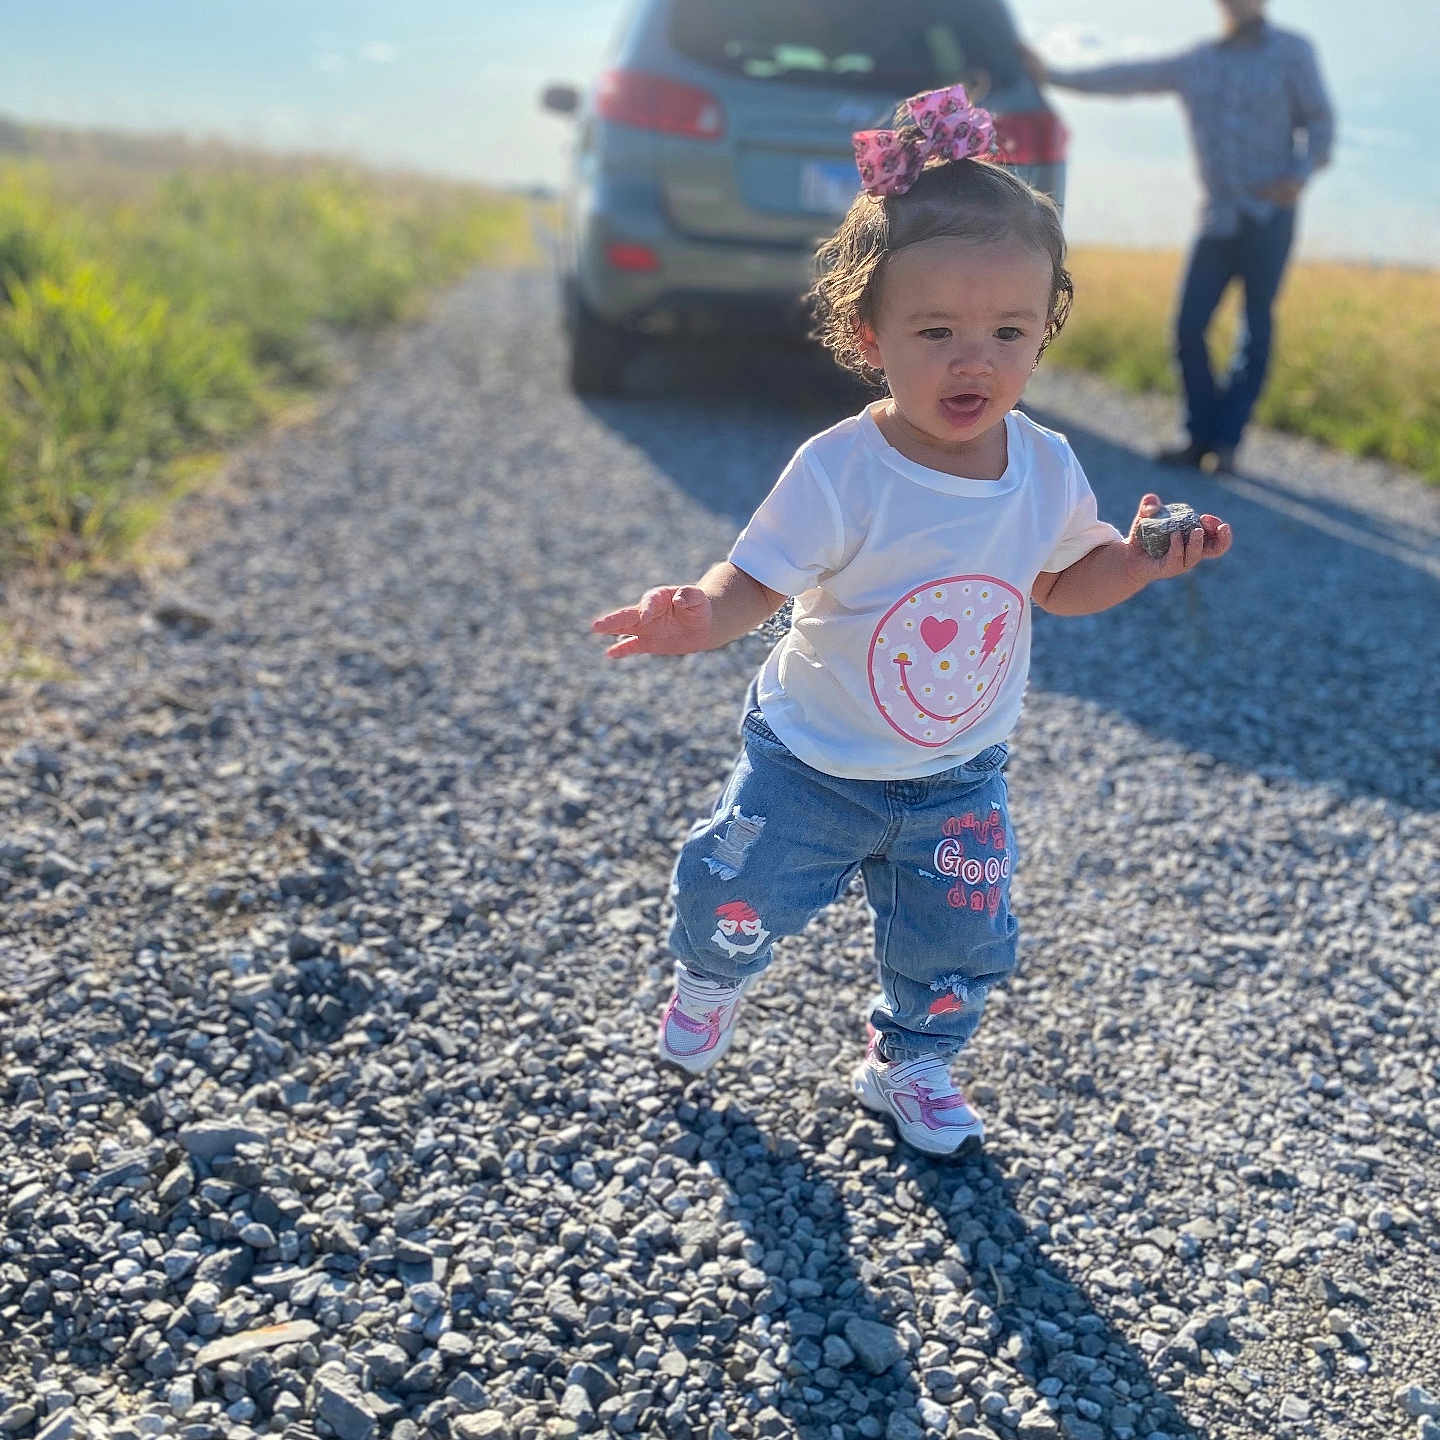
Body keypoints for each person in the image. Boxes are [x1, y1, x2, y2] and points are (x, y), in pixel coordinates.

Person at [590, 83, 1233, 1158]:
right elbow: (757, 580)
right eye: (935, 329)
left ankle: (911, 1061)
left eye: (1007, 331)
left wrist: (1137, 561)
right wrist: (699, 613)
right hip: (814, 758)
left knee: (957, 936)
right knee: (735, 892)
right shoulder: (845, 467)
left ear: (1045, 331)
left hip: (958, 774)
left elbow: (1065, 582)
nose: (972, 360)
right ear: (867, 332)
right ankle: (710, 977)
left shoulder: (1045, 464)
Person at [1019, 0, 1334, 473]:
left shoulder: (1293, 52)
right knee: (1188, 326)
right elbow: (1127, 78)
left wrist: (1301, 172)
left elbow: (1320, 120)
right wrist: (1054, 76)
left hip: (1272, 214)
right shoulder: (1198, 63)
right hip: (1218, 217)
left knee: (1256, 324)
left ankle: (1225, 443)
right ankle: (1197, 435)